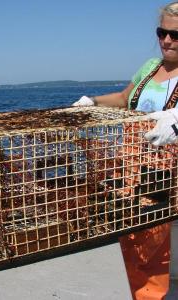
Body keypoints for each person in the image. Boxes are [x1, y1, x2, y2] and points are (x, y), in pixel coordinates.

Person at [72, 2, 178, 299]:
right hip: (129, 163)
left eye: (176, 34)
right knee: (126, 233)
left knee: (152, 243)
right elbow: (123, 98)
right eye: (162, 32)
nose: (167, 40)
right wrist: (92, 102)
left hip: (165, 171)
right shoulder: (150, 67)